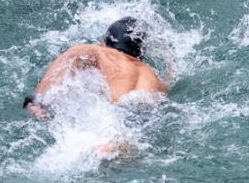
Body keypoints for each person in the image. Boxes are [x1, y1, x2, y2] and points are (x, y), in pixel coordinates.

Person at [23, 18, 168, 119]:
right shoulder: (157, 81)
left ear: (104, 42)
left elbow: (43, 96)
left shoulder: (97, 52)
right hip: (143, 120)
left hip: (113, 118)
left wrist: (35, 103)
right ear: (141, 52)